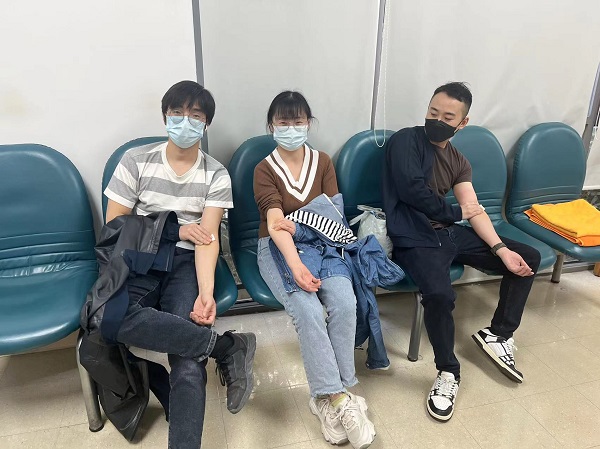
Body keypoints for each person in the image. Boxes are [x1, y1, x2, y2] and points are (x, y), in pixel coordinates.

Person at [104, 80, 256, 448]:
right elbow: (115, 226)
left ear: (206, 124)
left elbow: (207, 238)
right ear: (164, 117)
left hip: (186, 263)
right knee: (112, 318)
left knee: (188, 364)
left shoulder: (216, 174)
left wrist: (206, 291)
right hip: (139, 259)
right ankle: (226, 347)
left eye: (195, 116)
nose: (185, 122)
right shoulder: (135, 161)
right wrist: (174, 229)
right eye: (177, 113)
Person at [382, 82, 541, 422]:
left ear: (463, 123)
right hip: (415, 237)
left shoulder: (458, 161)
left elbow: (473, 208)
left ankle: (498, 334)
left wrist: (500, 249)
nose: (437, 120)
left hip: (449, 233)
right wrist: (455, 212)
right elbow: (411, 191)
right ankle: (448, 372)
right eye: (433, 112)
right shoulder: (406, 141)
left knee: (527, 257)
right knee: (439, 295)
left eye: (447, 117)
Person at [254, 91, 376, 448]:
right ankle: (339, 399)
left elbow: (333, 215)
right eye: (283, 121)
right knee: (307, 310)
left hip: (325, 245)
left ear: (308, 123)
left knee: (346, 303)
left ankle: (329, 395)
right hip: (278, 249)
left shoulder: (322, 162)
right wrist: (295, 267)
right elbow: (276, 223)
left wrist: (304, 227)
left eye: (298, 121)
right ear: (271, 126)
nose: (291, 128)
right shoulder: (264, 169)